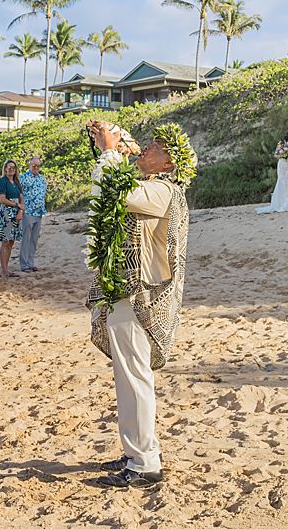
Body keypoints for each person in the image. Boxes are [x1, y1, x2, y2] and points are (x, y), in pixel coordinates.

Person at [84, 120, 195, 490]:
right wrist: (113, 144)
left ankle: (146, 461)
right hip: (124, 292)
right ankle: (135, 452)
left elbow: (118, 190)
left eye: (155, 149)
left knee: (135, 378)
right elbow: (111, 187)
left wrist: (110, 150)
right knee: (127, 379)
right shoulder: (151, 185)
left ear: (168, 165)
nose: (145, 150)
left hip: (140, 296)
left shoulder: (164, 191)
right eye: (145, 145)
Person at [255, 130, 288, 214]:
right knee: (282, 183)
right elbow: (276, 154)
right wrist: (284, 154)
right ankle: (281, 204)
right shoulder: (282, 143)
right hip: (283, 165)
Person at [18, 156, 47, 273]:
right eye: (34, 165)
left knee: (34, 240)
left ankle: (30, 263)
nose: (36, 168)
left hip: (39, 212)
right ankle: (24, 264)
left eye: (38, 166)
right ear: (30, 166)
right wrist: (20, 209)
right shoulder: (23, 178)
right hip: (28, 212)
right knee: (26, 238)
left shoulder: (42, 178)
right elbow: (19, 194)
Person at [0, 159, 24, 277]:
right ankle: (4, 269)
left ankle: (7, 269)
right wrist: (16, 205)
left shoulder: (17, 182)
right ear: (5, 169)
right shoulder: (2, 181)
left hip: (17, 213)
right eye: (9, 167)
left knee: (11, 241)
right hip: (7, 213)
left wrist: (21, 210)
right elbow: (2, 199)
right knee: (5, 241)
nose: (11, 169)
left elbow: (22, 198)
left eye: (13, 168)